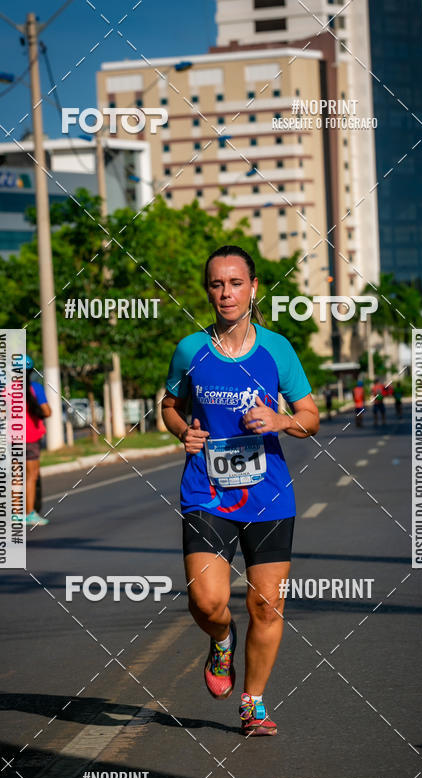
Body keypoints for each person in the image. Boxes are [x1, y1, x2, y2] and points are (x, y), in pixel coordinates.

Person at [162, 245, 319, 737]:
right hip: (206, 489)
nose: (225, 292)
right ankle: (221, 639)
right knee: (208, 601)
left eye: (234, 283)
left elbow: (311, 417)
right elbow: (170, 405)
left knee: (266, 605)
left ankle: (253, 703)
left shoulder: (278, 349)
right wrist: (180, 429)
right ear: (207, 290)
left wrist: (281, 419)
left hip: (268, 494)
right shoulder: (192, 349)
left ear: (253, 288)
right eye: (216, 284)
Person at [22, 355, 50, 526]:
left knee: (16, 477)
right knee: (31, 476)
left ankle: (16, 514)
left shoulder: (7, 390)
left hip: (12, 439)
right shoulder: (36, 389)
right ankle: (29, 513)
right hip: (31, 439)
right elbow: (47, 412)